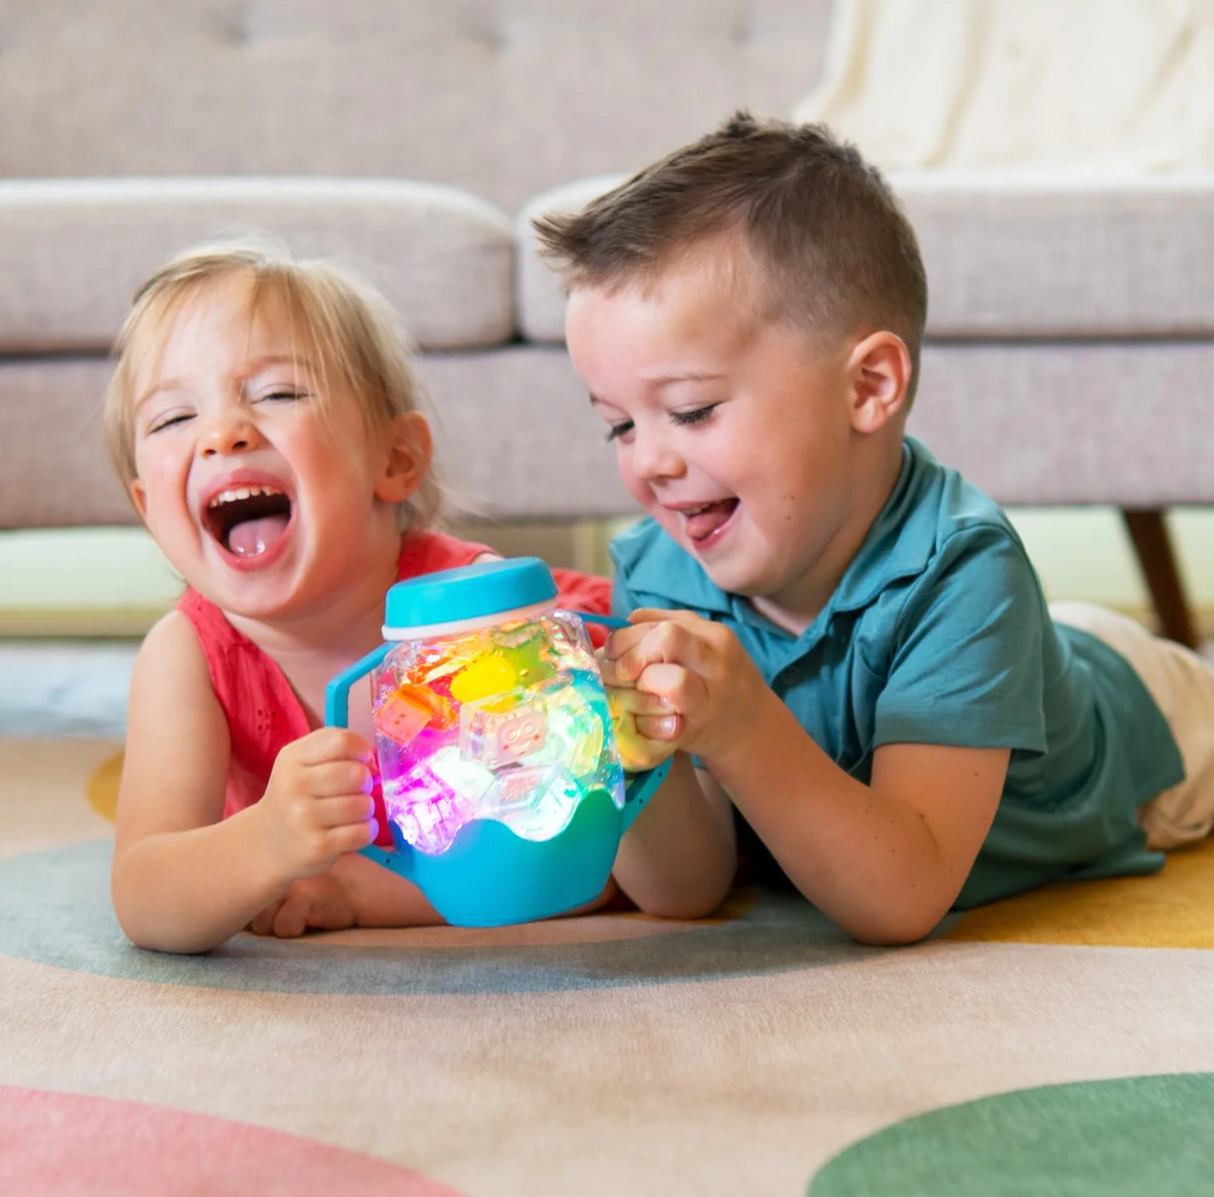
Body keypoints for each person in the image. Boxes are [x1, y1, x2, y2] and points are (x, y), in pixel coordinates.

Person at [534, 112, 1214, 946]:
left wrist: (743, 724)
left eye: (692, 410)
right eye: (619, 426)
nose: (650, 462)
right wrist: (629, 744)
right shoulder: (658, 572)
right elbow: (688, 888)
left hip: (1149, 721)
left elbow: (902, 896)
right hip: (1014, 658)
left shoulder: (963, 568)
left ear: (867, 388)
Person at [106, 240, 735, 954]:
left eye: (278, 394)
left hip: (593, 673)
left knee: (664, 769)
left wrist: (357, 894)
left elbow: (633, 883)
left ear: (396, 458)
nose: (223, 435)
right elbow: (146, 899)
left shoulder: (485, 628)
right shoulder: (187, 655)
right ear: (148, 509)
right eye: (172, 419)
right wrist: (263, 841)